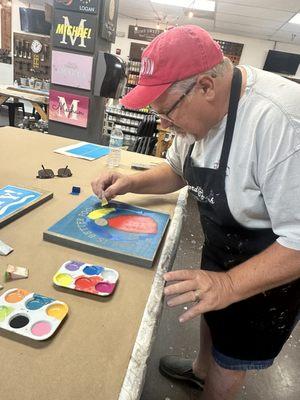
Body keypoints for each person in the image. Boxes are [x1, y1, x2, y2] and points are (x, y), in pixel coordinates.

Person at [91, 25, 300, 400]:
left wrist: (230, 284)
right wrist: (131, 182)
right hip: (225, 244)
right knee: (213, 313)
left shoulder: (282, 121)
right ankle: (198, 372)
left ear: (205, 86)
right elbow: (176, 169)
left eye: (167, 111)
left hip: (274, 266)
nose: (165, 124)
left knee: (231, 358)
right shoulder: (197, 115)